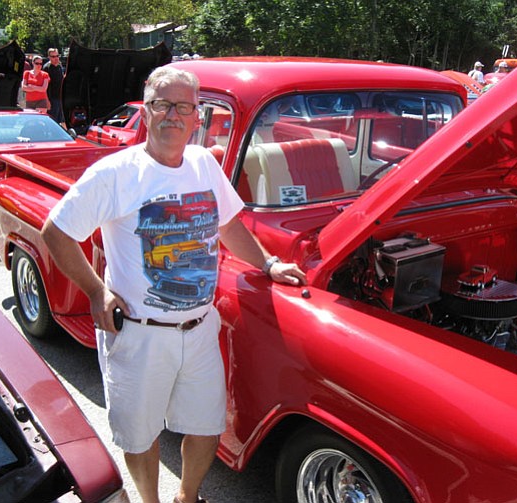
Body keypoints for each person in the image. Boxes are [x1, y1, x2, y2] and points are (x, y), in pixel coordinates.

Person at [41, 66, 307, 503]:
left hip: (200, 328)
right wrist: (96, 291)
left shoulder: (203, 163)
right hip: (138, 334)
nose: (173, 115)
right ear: (146, 112)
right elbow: (57, 231)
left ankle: (187, 496)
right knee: (138, 433)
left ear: (197, 116)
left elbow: (229, 225)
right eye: (162, 105)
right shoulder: (115, 173)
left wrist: (270, 263)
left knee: (205, 425)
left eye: (183, 106)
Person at [43, 48, 66, 127]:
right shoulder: (47, 68)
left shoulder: (59, 66)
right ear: (49, 57)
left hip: (60, 98)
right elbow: (45, 87)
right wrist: (47, 100)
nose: (56, 58)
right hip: (52, 98)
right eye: (53, 56)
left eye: (57, 56)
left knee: (60, 120)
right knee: (52, 120)